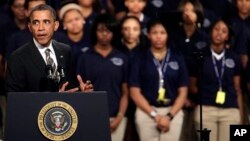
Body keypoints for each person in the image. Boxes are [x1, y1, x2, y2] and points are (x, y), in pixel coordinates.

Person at [6, 4, 93, 93]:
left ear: (55, 25)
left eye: (46, 22)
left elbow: (70, 88)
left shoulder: (66, 51)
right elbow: (14, 100)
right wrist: (54, 98)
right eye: (36, 23)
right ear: (30, 27)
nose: (41, 28)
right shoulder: (17, 58)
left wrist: (81, 92)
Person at [129, 18, 188, 141]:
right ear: (149, 35)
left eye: (163, 33)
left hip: (173, 111)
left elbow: (183, 91)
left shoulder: (178, 57)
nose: (159, 36)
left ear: (168, 35)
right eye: (155, 33)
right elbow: (134, 92)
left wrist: (169, 116)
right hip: (146, 111)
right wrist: (155, 115)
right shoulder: (139, 58)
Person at [189, 19, 243, 141]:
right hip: (206, 110)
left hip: (230, 110)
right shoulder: (200, 55)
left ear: (228, 36)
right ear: (211, 31)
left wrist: (240, 117)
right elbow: (192, 85)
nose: (219, 33)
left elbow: (237, 88)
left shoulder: (234, 57)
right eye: (216, 29)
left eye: (224, 31)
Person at [77, 14, 128, 141]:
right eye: (101, 30)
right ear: (95, 32)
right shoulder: (84, 57)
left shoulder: (122, 58)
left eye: (109, 30)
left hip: (116, 117)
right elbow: (78, 89)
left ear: (114, 33)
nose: (105, 34)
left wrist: (120, 117)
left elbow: (125, 93)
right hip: (90, 117)